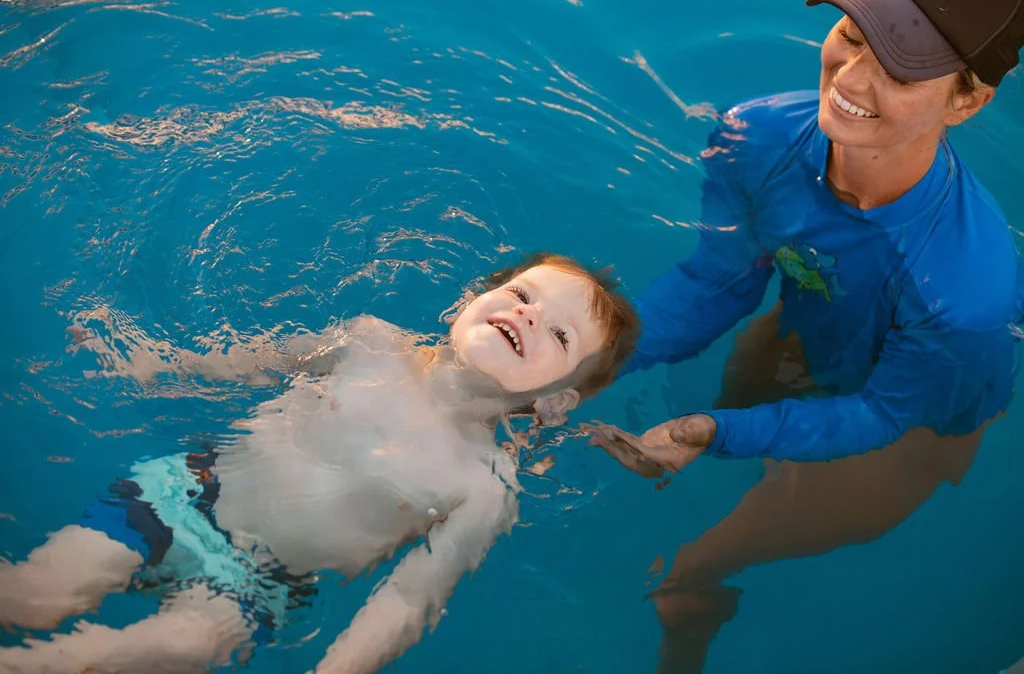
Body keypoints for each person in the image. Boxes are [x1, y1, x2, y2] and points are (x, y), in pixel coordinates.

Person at [587, 0, 1024, 671]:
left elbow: (884, 412)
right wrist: (589, 362)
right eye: (852, 35)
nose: (848, 81)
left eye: (902, 73)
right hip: (805, 332)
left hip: (914, 428)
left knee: (684, 568)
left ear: (966, 103)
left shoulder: (967, 291)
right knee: (718, 433)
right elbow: (716, 282)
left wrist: (721, 431)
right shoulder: (756, 137)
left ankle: (694, 602)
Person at [0, 253, 639, 674]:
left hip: (261, 586)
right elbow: (250, 361)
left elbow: (410, 598)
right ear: (473, 298)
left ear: (557, 402)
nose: (528, 313)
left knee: (179, 645)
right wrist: (152, 366)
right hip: (186, 494)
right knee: (32, 596)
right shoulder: (368, 342)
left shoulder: (485, 487)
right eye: (522, 292)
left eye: (559, 335)